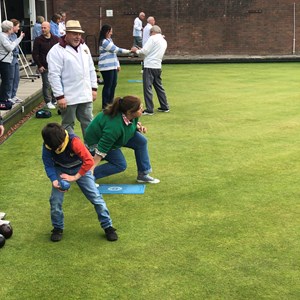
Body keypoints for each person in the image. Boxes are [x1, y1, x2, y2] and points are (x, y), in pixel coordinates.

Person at [41, 122, 118, 242]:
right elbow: (48, 164)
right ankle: (57, 228)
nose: (56, 149)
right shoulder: (48, 145)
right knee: (55, 201)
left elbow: (89, 161)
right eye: (53, 148)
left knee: (96, 198)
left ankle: (108, 227)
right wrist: (54, 180)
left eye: (59, 146)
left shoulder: (74, 141)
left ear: (63, 139)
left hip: (80, 168)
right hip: (60, 169)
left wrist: (75, 177)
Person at [84, 95, 160, 184]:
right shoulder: (114, 127)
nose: (142, 110)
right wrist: (91, 167)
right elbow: (102, 148)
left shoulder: (132, 115)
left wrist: (137, 127)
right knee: (120, 165)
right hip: (96, 142)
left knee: (141, 141)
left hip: (114, 138)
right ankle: (87, 176)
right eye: (140, 108)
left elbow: (129, 124)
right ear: (129, 112)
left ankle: (143, 175)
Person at [47, 20, 98, 136]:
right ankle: (71, 150)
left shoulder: (84, 47)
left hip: (85, 94)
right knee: (68, 125)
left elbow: (91, 68)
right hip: (68, 96)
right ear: (67, 34)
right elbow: (54, 75)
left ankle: (91, 150)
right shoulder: (56, 51)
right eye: (75, 34)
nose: (78, 37)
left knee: (89, 123)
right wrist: (59, 96)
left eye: (79, 34)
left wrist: (94, 88)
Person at [131, 25, 169, 115]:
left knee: (147, 87)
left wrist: (136, 50)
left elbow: (144, 52)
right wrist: (142, 50)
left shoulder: (152, 38)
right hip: (158, 66)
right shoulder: (164, 41)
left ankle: (149, 109)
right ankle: (164, 106)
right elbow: (151, 51)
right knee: (159, 86)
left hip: (149, 66)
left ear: (152, 32)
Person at [98, 24, 131, 110]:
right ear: (107, 31)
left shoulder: (109, 40)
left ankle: (111, 103)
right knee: (108, 85)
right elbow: (116, 49)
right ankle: (105, 105)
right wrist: (129, 51)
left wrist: (117, 65)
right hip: (106, 66)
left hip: (112, 66)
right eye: (111, 31)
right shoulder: (104, 41)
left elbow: (114, 53)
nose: (112, 33)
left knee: (113, 84)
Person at [32, 21, 59, 109]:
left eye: (45, 28)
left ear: (49, 28)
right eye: (42, 28)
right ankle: (48, 101)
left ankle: (55, 99)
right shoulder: (38, 40)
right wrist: (39, 65)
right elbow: (35, 54)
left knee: (55, 82)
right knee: (46, 84)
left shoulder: (56, 39)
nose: (43, 29)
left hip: (55, 65)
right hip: (44, 65)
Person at [0, 20, 25, 107]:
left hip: (8, 60)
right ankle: (4, 99)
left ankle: (6, 98)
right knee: (7, 80)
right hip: (4, 61)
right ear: (9, 29)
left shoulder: (6, 36)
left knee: (9, 80)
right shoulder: (2, 37)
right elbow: (10, 48)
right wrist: (20, 38)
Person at [9, 19, 23, 104]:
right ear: (13, 26)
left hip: (16, 57)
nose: (18, 28)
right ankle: (9, 96)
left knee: (16, 78)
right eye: (17, 27)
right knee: (10, 78)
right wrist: (20, 38)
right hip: (10, 58)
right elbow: (12, 46)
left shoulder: (14, 35)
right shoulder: (7, 36)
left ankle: (13, 95)